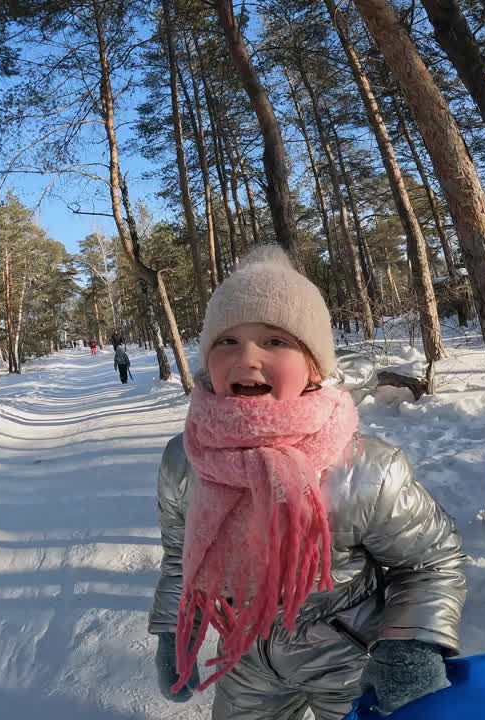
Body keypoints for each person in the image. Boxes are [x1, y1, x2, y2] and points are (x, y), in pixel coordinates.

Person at [148, 246, 466, 720]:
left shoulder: (365, 467)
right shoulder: (186, 460)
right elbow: (182, 556)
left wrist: (411, 646)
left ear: (314, 366)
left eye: (275, 341)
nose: (248, 358)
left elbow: (430, 562)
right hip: (247, 659)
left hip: (351, 659)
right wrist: (175, 630)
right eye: (226, 341)